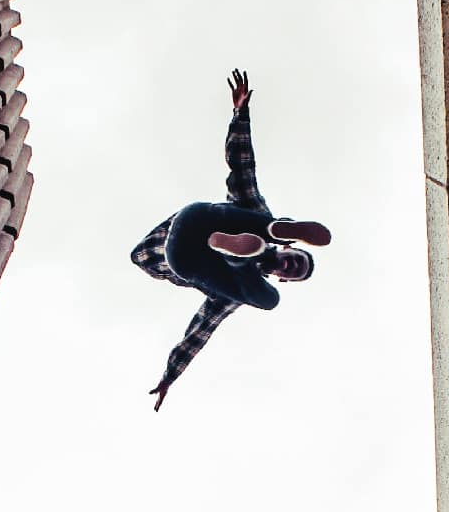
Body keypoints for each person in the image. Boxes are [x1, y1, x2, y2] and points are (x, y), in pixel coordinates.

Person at [131, 69, 331, 411]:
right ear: (289, 249)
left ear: (284, 277)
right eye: (295, 258)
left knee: (266, 300)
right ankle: (261, 236)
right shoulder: (258, 213)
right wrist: (240, 115)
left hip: (189, 260)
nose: (290, 264)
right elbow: (242, 168)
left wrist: (169, 375)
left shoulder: (239, 295)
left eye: (292, 270)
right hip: (195, 225)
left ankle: (240, 253)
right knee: (257, 221)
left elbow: (198, 332)